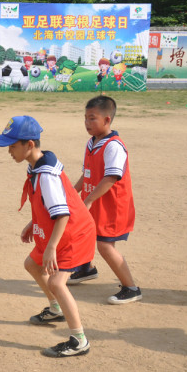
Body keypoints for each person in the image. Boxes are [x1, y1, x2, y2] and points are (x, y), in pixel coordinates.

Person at [0, 115, 96, 357]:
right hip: (59, 230)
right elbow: (48, 205)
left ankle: (79, 340)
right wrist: (33, 222)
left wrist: (51, 248)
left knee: (57, 282)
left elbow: (63, 214)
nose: (8, 151)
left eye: (12, 145)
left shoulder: (46, 174)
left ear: (29, 145)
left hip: (74, 233)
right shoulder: (36, 165)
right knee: (32, 265)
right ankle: (56, 308)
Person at [68, 96, 141, 304]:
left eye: (92, 118)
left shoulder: (113, 146)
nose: (87, 123)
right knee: (84, 234)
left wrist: (88, 199)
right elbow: (88, 173)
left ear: (107, 120)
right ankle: (86, 269)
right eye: (85, 118)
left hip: (112, 207)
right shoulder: (92, 143)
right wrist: (73, 193)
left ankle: (131, 287)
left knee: (105, 246)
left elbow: (111, 177)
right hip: (94, 203)